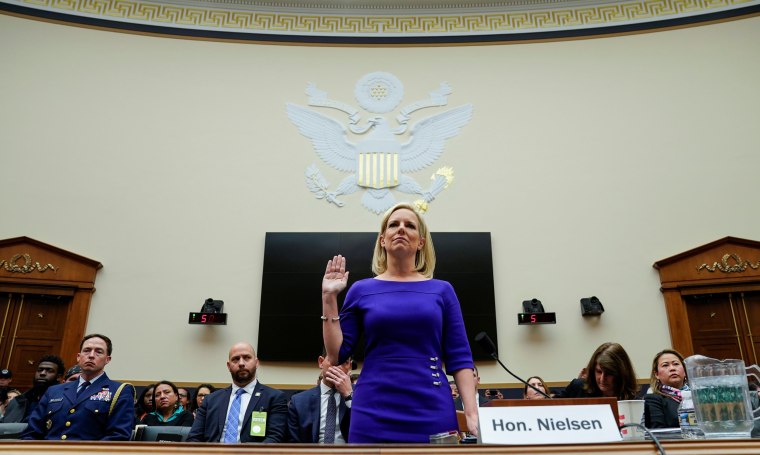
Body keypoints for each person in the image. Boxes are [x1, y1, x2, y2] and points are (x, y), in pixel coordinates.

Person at [321, 202, 479, 442]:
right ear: (383, 240)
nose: (401, 229)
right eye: (394, 225)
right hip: (372, 409)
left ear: (421, 242)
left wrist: (471, 412)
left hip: (431, 405)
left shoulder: (442, 290)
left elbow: (459, 357)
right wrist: (329, 298)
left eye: (410, 226)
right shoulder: (361, 289)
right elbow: (338, 354)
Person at [21, 333, 136, 441]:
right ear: (78, 357)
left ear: (107, 359)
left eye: (98, 352)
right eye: (87, 350)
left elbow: (118, 436)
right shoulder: (54, 391)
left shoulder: (119, 391)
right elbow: (32, 433)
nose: (91, 356)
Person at [187, 342, 287, 443]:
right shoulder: (211, 400)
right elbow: (194, 438)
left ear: (256, 363)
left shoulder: (274, 397)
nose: (241, 363)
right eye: (235, 359)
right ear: (228, 366)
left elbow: (275, 438)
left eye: (247, 358)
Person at [288, 351, 353, 443]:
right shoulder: (298, 401)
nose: (339, 368)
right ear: (321, 362)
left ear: (350, 366)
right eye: (334, 361)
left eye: (345, 362)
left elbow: (366, 428)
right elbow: (293, 443)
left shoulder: (361, 395)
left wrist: (348, 395)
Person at [556, 342, 639, 400]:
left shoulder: (633, 402)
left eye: (609, 373)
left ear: (621, 374)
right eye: (599, 372)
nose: (602, 379)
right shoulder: (578, 388)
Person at [1, 355, 65, 423]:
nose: (42, 373)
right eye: (40, 370)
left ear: (59, 377)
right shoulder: (18, 401)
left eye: (49, 371)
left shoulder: (64, 401)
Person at [644, 349, 688, 428]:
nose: (672, 368)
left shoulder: (697, 395)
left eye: (676, 364)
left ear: (684, 371)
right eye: (665, 365)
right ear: (656, 374)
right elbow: (658, 432)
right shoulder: (653, 399)